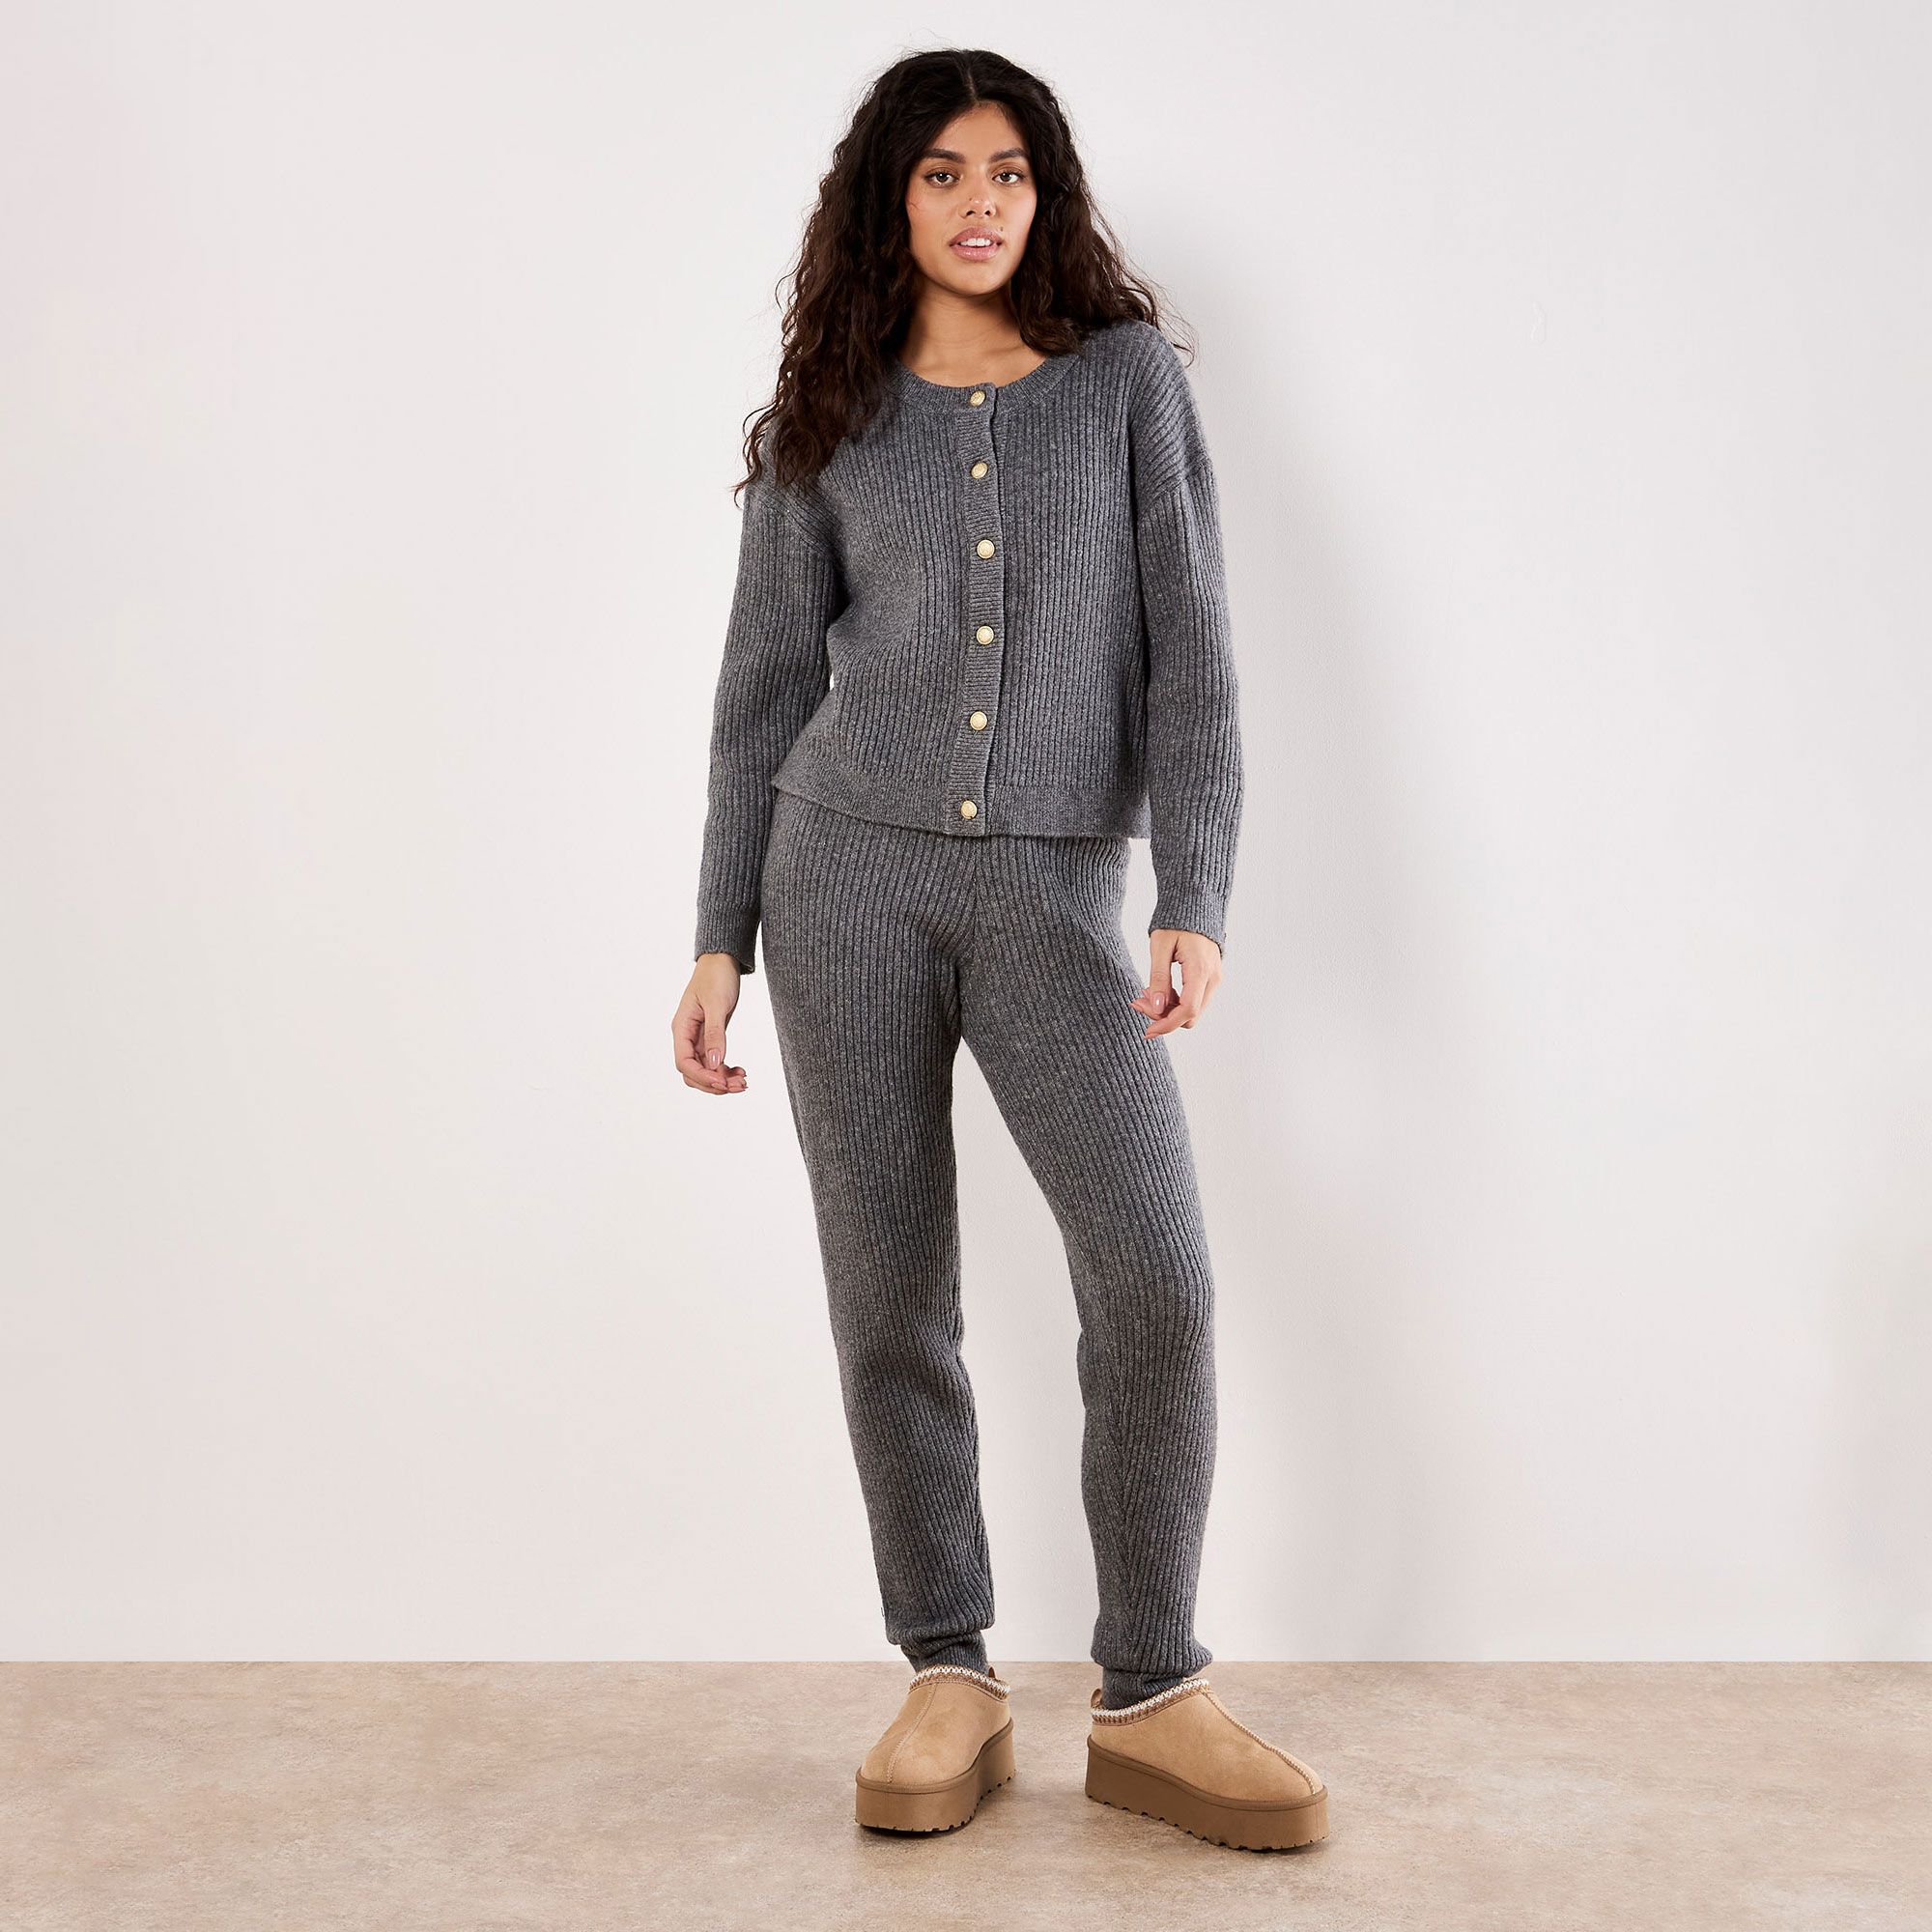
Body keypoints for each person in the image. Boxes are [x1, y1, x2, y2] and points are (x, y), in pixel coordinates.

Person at [671, 48, 1329, 1852]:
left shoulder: (1123, 384)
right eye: (945, 172)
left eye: (1012, 172)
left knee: (1157, 1277)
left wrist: (1194, 889)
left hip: (1056, 902)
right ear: (888, 199)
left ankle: (1154, 1688)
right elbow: (759, 693)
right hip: (840, 887)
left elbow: (1195, 657)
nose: (982, 204)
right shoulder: (827, 412)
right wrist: (720, 933)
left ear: (1048, 194)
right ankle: (946, 1673)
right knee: (892, 1295)